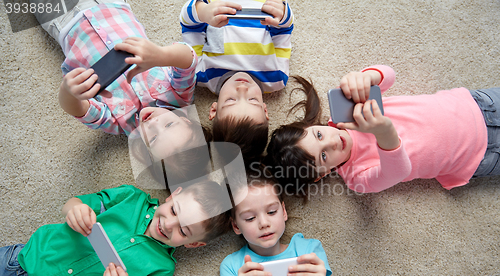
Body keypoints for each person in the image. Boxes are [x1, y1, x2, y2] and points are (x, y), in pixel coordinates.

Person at [0, 181, 232, 276]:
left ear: (193, 244)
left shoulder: (162, 269)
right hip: (20, 262)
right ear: (173, 195)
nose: (168, 224)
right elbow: (73, 203)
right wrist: (75, 210)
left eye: (183, 230)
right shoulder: (131, 197)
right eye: (173, 211)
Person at [264, 65, 500, 195]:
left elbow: (389, 75)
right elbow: (396, 172)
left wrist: (366, 77)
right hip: (479, 155)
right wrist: (385, 134)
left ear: (313, 125)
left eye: (318, 135)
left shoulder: (344, 108)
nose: (332, 142)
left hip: (474, 104)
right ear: (323, 173)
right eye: (324, 155)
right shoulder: (357, 179)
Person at [35, 0, 208, 159]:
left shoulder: (117, 123)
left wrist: (68, 92)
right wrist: (161, 55)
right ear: (185, 119)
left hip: (64, 23)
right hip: (110, 6)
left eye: (153, 139)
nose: (154, 123)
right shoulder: (179, 96)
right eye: (169, 125)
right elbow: (189, 60)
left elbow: (80, 110)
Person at [220, 168, 335, 276]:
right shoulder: (232, 265)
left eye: (271, 212)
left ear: (284, 212)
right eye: (250, 218)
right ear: (236, 226)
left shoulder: (307, 249)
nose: (263, 223)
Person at [180, 0, 294, 163]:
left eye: (231, 100)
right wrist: (284, 15)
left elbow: (189, 24)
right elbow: (284, 31)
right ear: (265, 109)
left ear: (214, 109)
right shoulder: (277, 77)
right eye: (252, 100)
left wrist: (203, 12)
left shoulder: (200, 73)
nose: (242, 88)